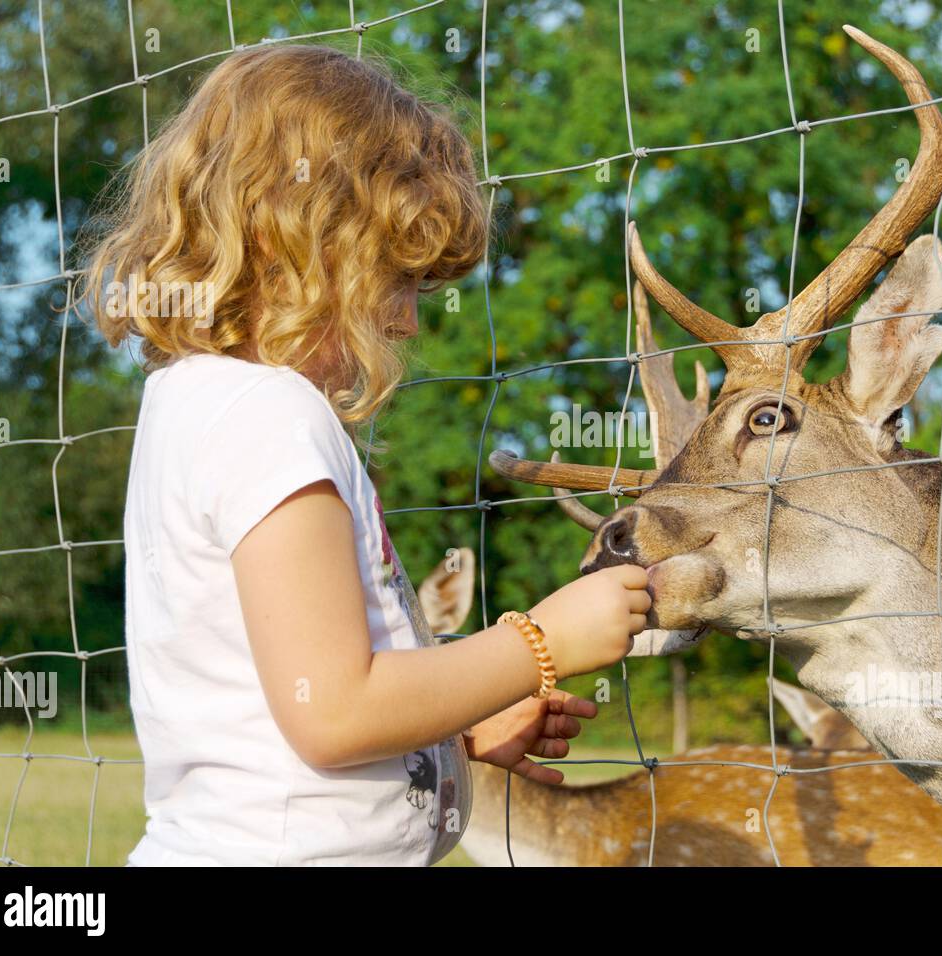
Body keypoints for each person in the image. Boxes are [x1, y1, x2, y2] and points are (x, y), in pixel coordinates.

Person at [77, 42, 650, 866]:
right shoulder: (270, 413)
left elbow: (292, 696)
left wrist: (459, 719)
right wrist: (542, 643)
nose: (409, 322)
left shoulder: (192, 400)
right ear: (314, 247)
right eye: (399, 278)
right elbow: (336, 710)